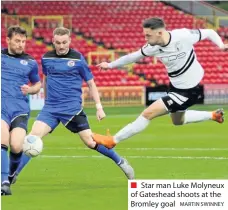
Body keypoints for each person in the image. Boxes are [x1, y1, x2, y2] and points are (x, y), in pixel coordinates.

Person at [13, 27, 134, 183]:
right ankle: (13, 174)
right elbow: (46, 79)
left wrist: (99, 107)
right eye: (58, 43)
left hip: (72, 110)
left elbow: (91, 83)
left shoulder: (78, 59)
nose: (61, 46)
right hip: (50, 109)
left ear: (69, 41)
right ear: (53, 42)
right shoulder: (46, 58)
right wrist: (46, 101)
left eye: (64, 42)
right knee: (32, 139)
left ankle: (120, 162)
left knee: (90, 142)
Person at [92, 17, 227, 149]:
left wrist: (221, 45)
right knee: (178, 121)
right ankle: (213, 115)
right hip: (176, 87)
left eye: (148, 35)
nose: (146, 39)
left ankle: (113, 140)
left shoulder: (182, 36)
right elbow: (133, 56)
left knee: (147, 113)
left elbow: (209, 32)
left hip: (189, 90)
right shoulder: (152, 47)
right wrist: (110, 65)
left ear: (160, 33)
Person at [1, 26, 41, 195]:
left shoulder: (31, 63)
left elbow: (38, 84)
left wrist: (30, 90)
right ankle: (3, 182)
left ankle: (10, 175)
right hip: (2, 107)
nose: (21, 44)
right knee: (2, 142)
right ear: (8, 40)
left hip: (20, 109)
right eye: (17, 41)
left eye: (23, 41)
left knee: (17, 146)